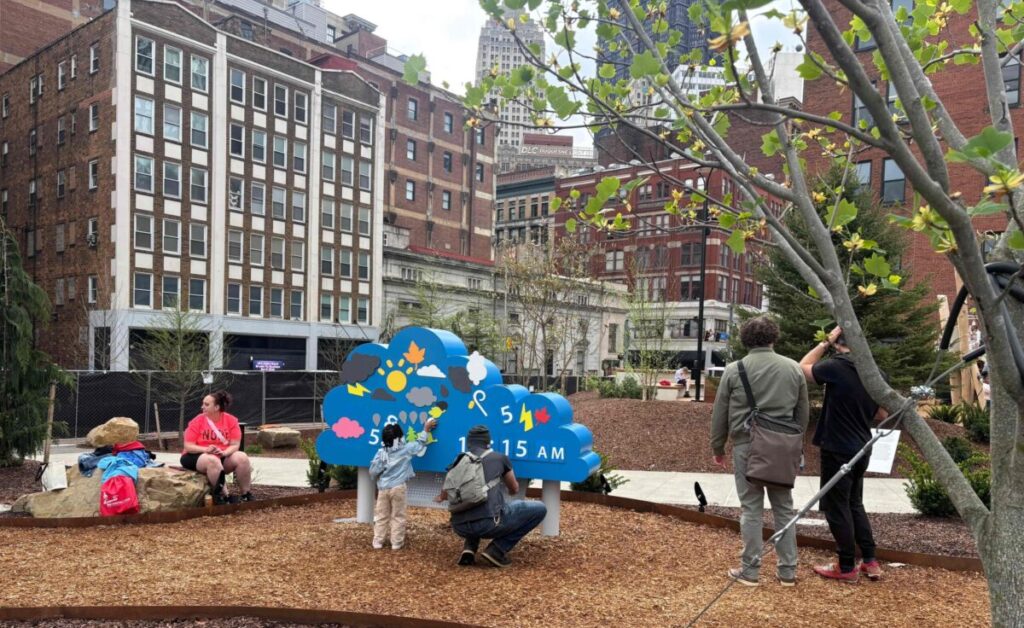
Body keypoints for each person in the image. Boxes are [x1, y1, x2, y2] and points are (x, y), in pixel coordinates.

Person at [710, 316, 809, 587]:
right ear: (774, 337)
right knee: (784, 507)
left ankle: (750, 570)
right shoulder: (793, 368)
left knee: (751, 508)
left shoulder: (735, 370)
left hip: (747, 445)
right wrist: (793, 442)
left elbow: (720, 413)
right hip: (783, 447)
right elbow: (802, 413)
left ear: (745, 339)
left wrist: (718, 447)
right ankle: (787, 571)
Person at [799, 326, 886, 583]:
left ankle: (846, 566)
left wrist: (825, 342)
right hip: (862, 445)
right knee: (854, 502)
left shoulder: (836, 366)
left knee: (837, 507)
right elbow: (882, 413)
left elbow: (802, 368)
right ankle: (869, 560)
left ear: (839, 344)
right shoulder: (874, 372)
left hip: (837, 447)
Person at [435, 425, 547, 568]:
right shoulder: (500, 458)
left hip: (459, 526)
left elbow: (444, 494)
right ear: (488, 442)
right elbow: (514, 488)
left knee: (472, 500)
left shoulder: (458, 460)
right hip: (489, 524)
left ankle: (469, 549)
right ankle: (497, 550)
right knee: (540, 508)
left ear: (469, 443)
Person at [368, 419, 437, 550]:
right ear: (400, 438)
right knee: (398, 516)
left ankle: (378, 541)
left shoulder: (382, 453)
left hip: (383, 488)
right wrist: (426, 429)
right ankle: (396, 543)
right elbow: (420, 443)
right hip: (398, 487)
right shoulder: (406, 449)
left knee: (381, 516)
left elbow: (373, 471)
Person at [180, 390, 252, 505]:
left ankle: (246, 494)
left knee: (242, 457)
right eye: (203, 404)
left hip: (221, 455)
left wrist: (224, 453)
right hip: (195, 455)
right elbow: (188, 446)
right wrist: (206, 450)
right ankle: (223, 496)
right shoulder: (197, 421)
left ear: (217, 407)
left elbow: (235, 445)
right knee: (212, 460)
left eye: (206, 404)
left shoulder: (231, 421)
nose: (202, 407)